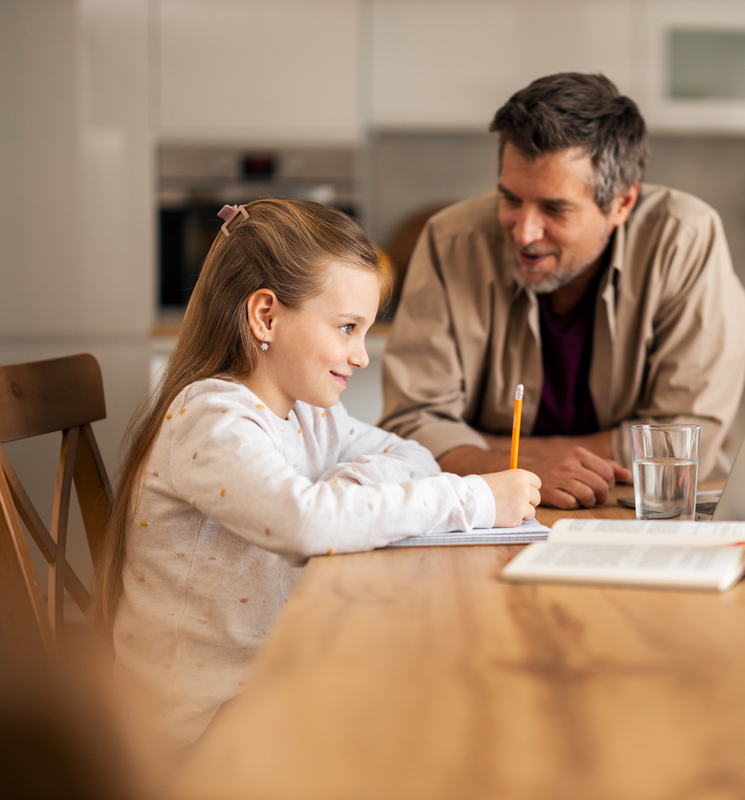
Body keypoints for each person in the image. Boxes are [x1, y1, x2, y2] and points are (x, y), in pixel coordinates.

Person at [95, 199, 540, 745]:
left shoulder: (309, 413)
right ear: (266, 316)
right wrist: (475, 500)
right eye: (347, 328)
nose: (361, 356)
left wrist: (340, 491)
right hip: (199, 728)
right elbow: (307, 524)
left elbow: (415, 457)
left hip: (273, 680)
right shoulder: (211, 421)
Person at [379, 73, 745, 510]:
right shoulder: (449, 240)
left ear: (622, 204)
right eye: (511, 199)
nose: (524, 231)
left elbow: (686, 440)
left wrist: (491, 452)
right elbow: (412, 425)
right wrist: (536, 468)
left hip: (652, 510)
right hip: (495, 513)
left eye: (555, 208)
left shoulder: (685, 237)